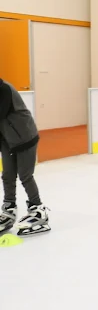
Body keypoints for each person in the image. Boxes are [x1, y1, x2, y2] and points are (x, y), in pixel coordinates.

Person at [0, 78, 50, 236]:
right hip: (7, 139)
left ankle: (38, 209)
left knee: (25, 175)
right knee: (7, 174)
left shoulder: (4, 89)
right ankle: (9, 207)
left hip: (25, 137)